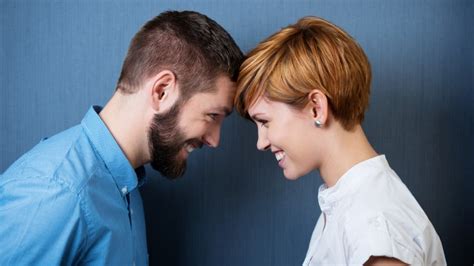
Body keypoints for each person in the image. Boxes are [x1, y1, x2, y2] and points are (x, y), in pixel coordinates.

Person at [0, 10, 243, 265]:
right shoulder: (58, 194)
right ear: (162, 91)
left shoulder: (125, 186)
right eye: (212, 115)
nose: (215, 140)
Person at [234, 16, 446, 265]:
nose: (261, 142)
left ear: (316, 108)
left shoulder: (373, 225)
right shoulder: (350, 204)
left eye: (265, 122)